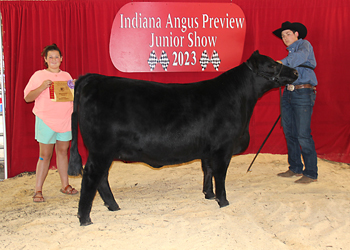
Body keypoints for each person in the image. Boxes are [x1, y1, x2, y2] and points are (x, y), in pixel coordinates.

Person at [24, 44, 78, 202]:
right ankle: (38, 190)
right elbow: (28, 98)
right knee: (44, 155)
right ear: (45, 60)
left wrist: (75, 87)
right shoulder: (38, 76)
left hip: (65, 120)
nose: (54, 60)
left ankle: (65, 185)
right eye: (50, 57)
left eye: (56, 57)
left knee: (62, 152)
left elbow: (72, 97)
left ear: (61, 59)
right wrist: (41, 87)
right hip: (46, 120)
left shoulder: (67, 75)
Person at [273, 21, 318, 184]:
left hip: (303, 92)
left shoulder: (304, 46)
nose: (285, 37)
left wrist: (279, 64)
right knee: (289, 131)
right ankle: (295, 167)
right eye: (283, 35)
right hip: (288, 93)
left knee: (303, 134)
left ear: (296, 34)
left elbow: (295, 59)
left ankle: (311, 172)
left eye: (288, 34)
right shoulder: (290, 55)